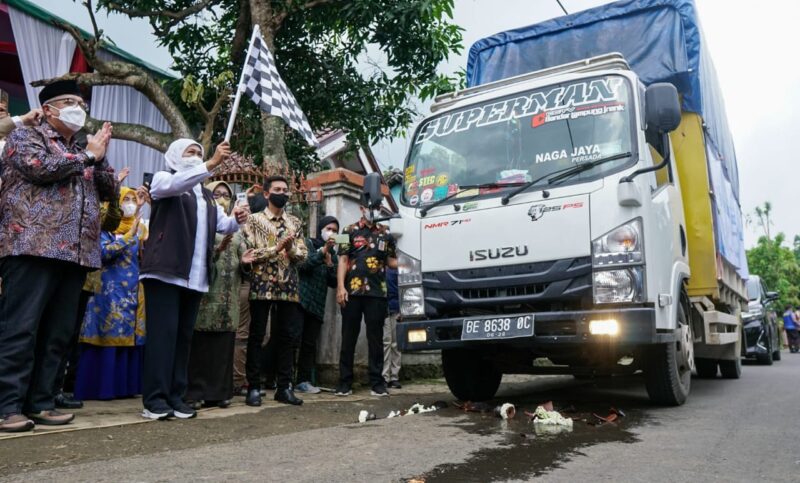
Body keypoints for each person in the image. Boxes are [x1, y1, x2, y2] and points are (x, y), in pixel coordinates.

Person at [0, 80, 117, 432]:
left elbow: (109, 188)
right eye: (69, 102)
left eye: (81, 103)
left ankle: (41, 402)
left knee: (58, 333)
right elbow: (40, 168)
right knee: (21, 329)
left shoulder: (84, 146)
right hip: (31, 246)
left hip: (75, 252)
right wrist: (88, 156)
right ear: (48, 109)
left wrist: (99, 155)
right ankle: (7, 406)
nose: (78, 108)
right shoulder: (26, 137)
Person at [139, 138, 247, 420]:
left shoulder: (207, 196)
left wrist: (238, 218)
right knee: (163, 338)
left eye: (199, 152)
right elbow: (173, 186)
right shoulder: (165, 179)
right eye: (191, 151)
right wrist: (211, 164)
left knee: (183, 340)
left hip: (195, 279)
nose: (197, 155)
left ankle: (176, 396)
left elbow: (223, 226)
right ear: (175, 156)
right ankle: (154, 400)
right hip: (165, 274)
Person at [74, 187, 147, 400]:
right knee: (107, 334)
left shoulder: (139, 228)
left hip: (132, 291)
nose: (131, 203)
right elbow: (103, 252)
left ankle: (125, 388)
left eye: (134, 199)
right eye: (127, 199)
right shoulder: (105, 229)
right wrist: (127, 236)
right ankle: (101, 388)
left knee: (127, 336)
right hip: (108, 291)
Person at [241, 175, 308, 407]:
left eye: (286, 190)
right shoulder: (253, 220)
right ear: (267, 194)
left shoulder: (295, 223)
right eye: (278, 189)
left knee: (288, 337)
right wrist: (275, 249)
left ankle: (284, 387)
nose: (283, 193)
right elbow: (249, 254)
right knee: (257, 335)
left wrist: (290, 250)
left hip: (289, 285)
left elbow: (303, 255)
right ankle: (254, 387)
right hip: (261, 284)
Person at [186, 181, 244, 408]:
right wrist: (216, 252)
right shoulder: (202, 225)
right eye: (217, 194)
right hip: (205, 295)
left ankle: (219, 393)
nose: (222, 198)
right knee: (200, 345)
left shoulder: (237, 231)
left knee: (223, 346)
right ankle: (195, 392)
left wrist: (246, 262)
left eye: (226, 195)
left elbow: (244, 259)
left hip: (229, 298)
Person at [335, 204, 398, 397]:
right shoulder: (347, 230)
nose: (375, 210)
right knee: (348, 338)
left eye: (378, 207)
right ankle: (344, 382)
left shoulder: (386, 233)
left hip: (378, 293)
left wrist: (411, 257)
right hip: (351, 292)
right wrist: (340, 287)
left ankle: (377, 382)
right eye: (371, 207)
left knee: (376, 339)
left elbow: (392, 262)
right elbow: (342, 260)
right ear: (362, 208)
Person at [295, 215, 339, 393]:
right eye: (329, 228)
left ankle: (303, 380)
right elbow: (303, 265)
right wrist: (321, 252)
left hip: (317, 305)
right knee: (291, 340)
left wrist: (329, 264)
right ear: (321, 228)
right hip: (301, 300)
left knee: (309, 344)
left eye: (335, 230)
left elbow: (334, 282)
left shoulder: (334, 254)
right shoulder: (308, 243)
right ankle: (279, 379)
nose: (332, 232)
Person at [382, 266, 402, 389]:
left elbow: (402, 290)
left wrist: (402, 311)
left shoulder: (396, 269)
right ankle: (384, 376)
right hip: (383, 308)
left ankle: (394, 376)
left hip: (395, 308)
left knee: (396, 343)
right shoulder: (379, 268)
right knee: (386, 341)